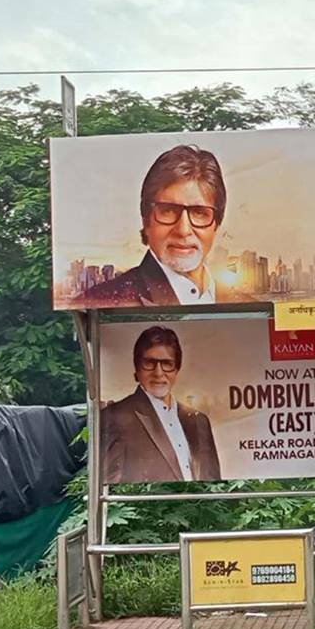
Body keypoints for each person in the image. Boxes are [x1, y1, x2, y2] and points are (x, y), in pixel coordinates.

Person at [82, 145, 227, 307]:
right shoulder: (98, 300)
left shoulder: (240, 300)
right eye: (168, 210)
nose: (183, 230)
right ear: (146, 219)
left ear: (216, 225)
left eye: (199, 213)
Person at [101, 326, 221, 483]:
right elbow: (109, 485)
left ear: (176, 369)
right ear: (137, 369)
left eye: (167, 363)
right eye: (149, 363)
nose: (158, 372)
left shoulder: (199, 421)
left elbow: (214, 484)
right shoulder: (114, 417)